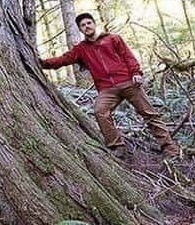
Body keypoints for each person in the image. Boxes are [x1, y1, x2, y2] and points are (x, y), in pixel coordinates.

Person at [40, 13, 180, 161]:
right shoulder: (81, 49)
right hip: (107, 89)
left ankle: (169, 147)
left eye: (89, 23)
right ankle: (118, 147)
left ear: (94, 24)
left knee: (149, 113)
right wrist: (42, 63)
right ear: (80, 30)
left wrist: (136, 72)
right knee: (100, 111)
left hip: (128, 82)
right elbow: (63, 59)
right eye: (83, 25)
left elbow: (128, 56)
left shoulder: (113, 38)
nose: (87, 26)